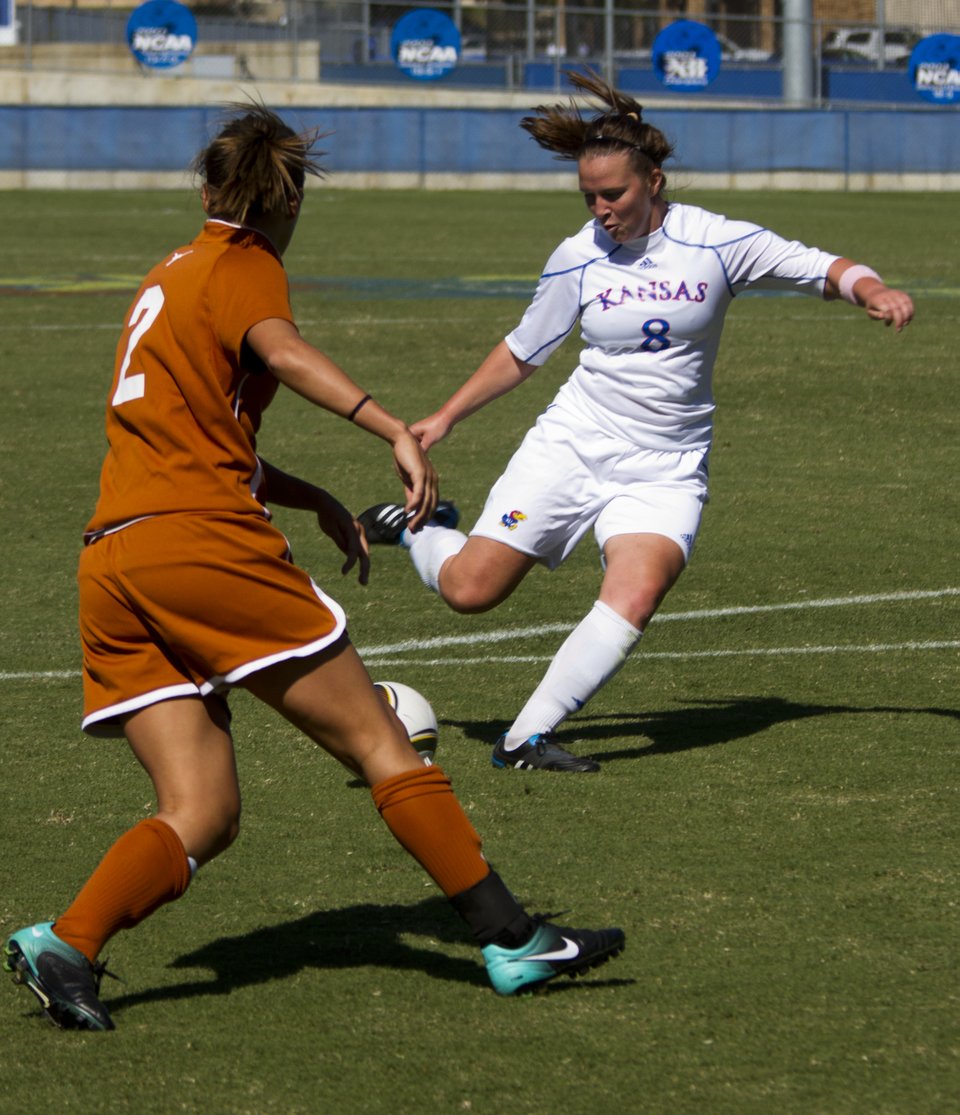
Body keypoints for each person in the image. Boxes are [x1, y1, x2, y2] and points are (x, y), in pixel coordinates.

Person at [2, 104, 625, 1031]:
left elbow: (196, 435)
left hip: (115, 561)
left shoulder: (168, 276)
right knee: (380, 741)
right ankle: (512, 936)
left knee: (201, 809)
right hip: (202, 545)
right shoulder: (245, 263)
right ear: (285, 201)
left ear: (207, 189)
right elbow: (283, 354)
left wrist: (317, 500)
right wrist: (391, 429)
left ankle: (66, 943)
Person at [360, 70, 915, 774]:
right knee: (471, 590)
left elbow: (819, 265)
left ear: (654, 180)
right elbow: (525, 350)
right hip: (574, 443)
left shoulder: (715, 242)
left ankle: (524, 738)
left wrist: (872, 288)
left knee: (639, 588)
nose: (601, 210)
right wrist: (441, 419)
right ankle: (421, 529)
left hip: (667, 463)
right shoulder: (577, 257)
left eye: (614, 194)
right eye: (589, 196)